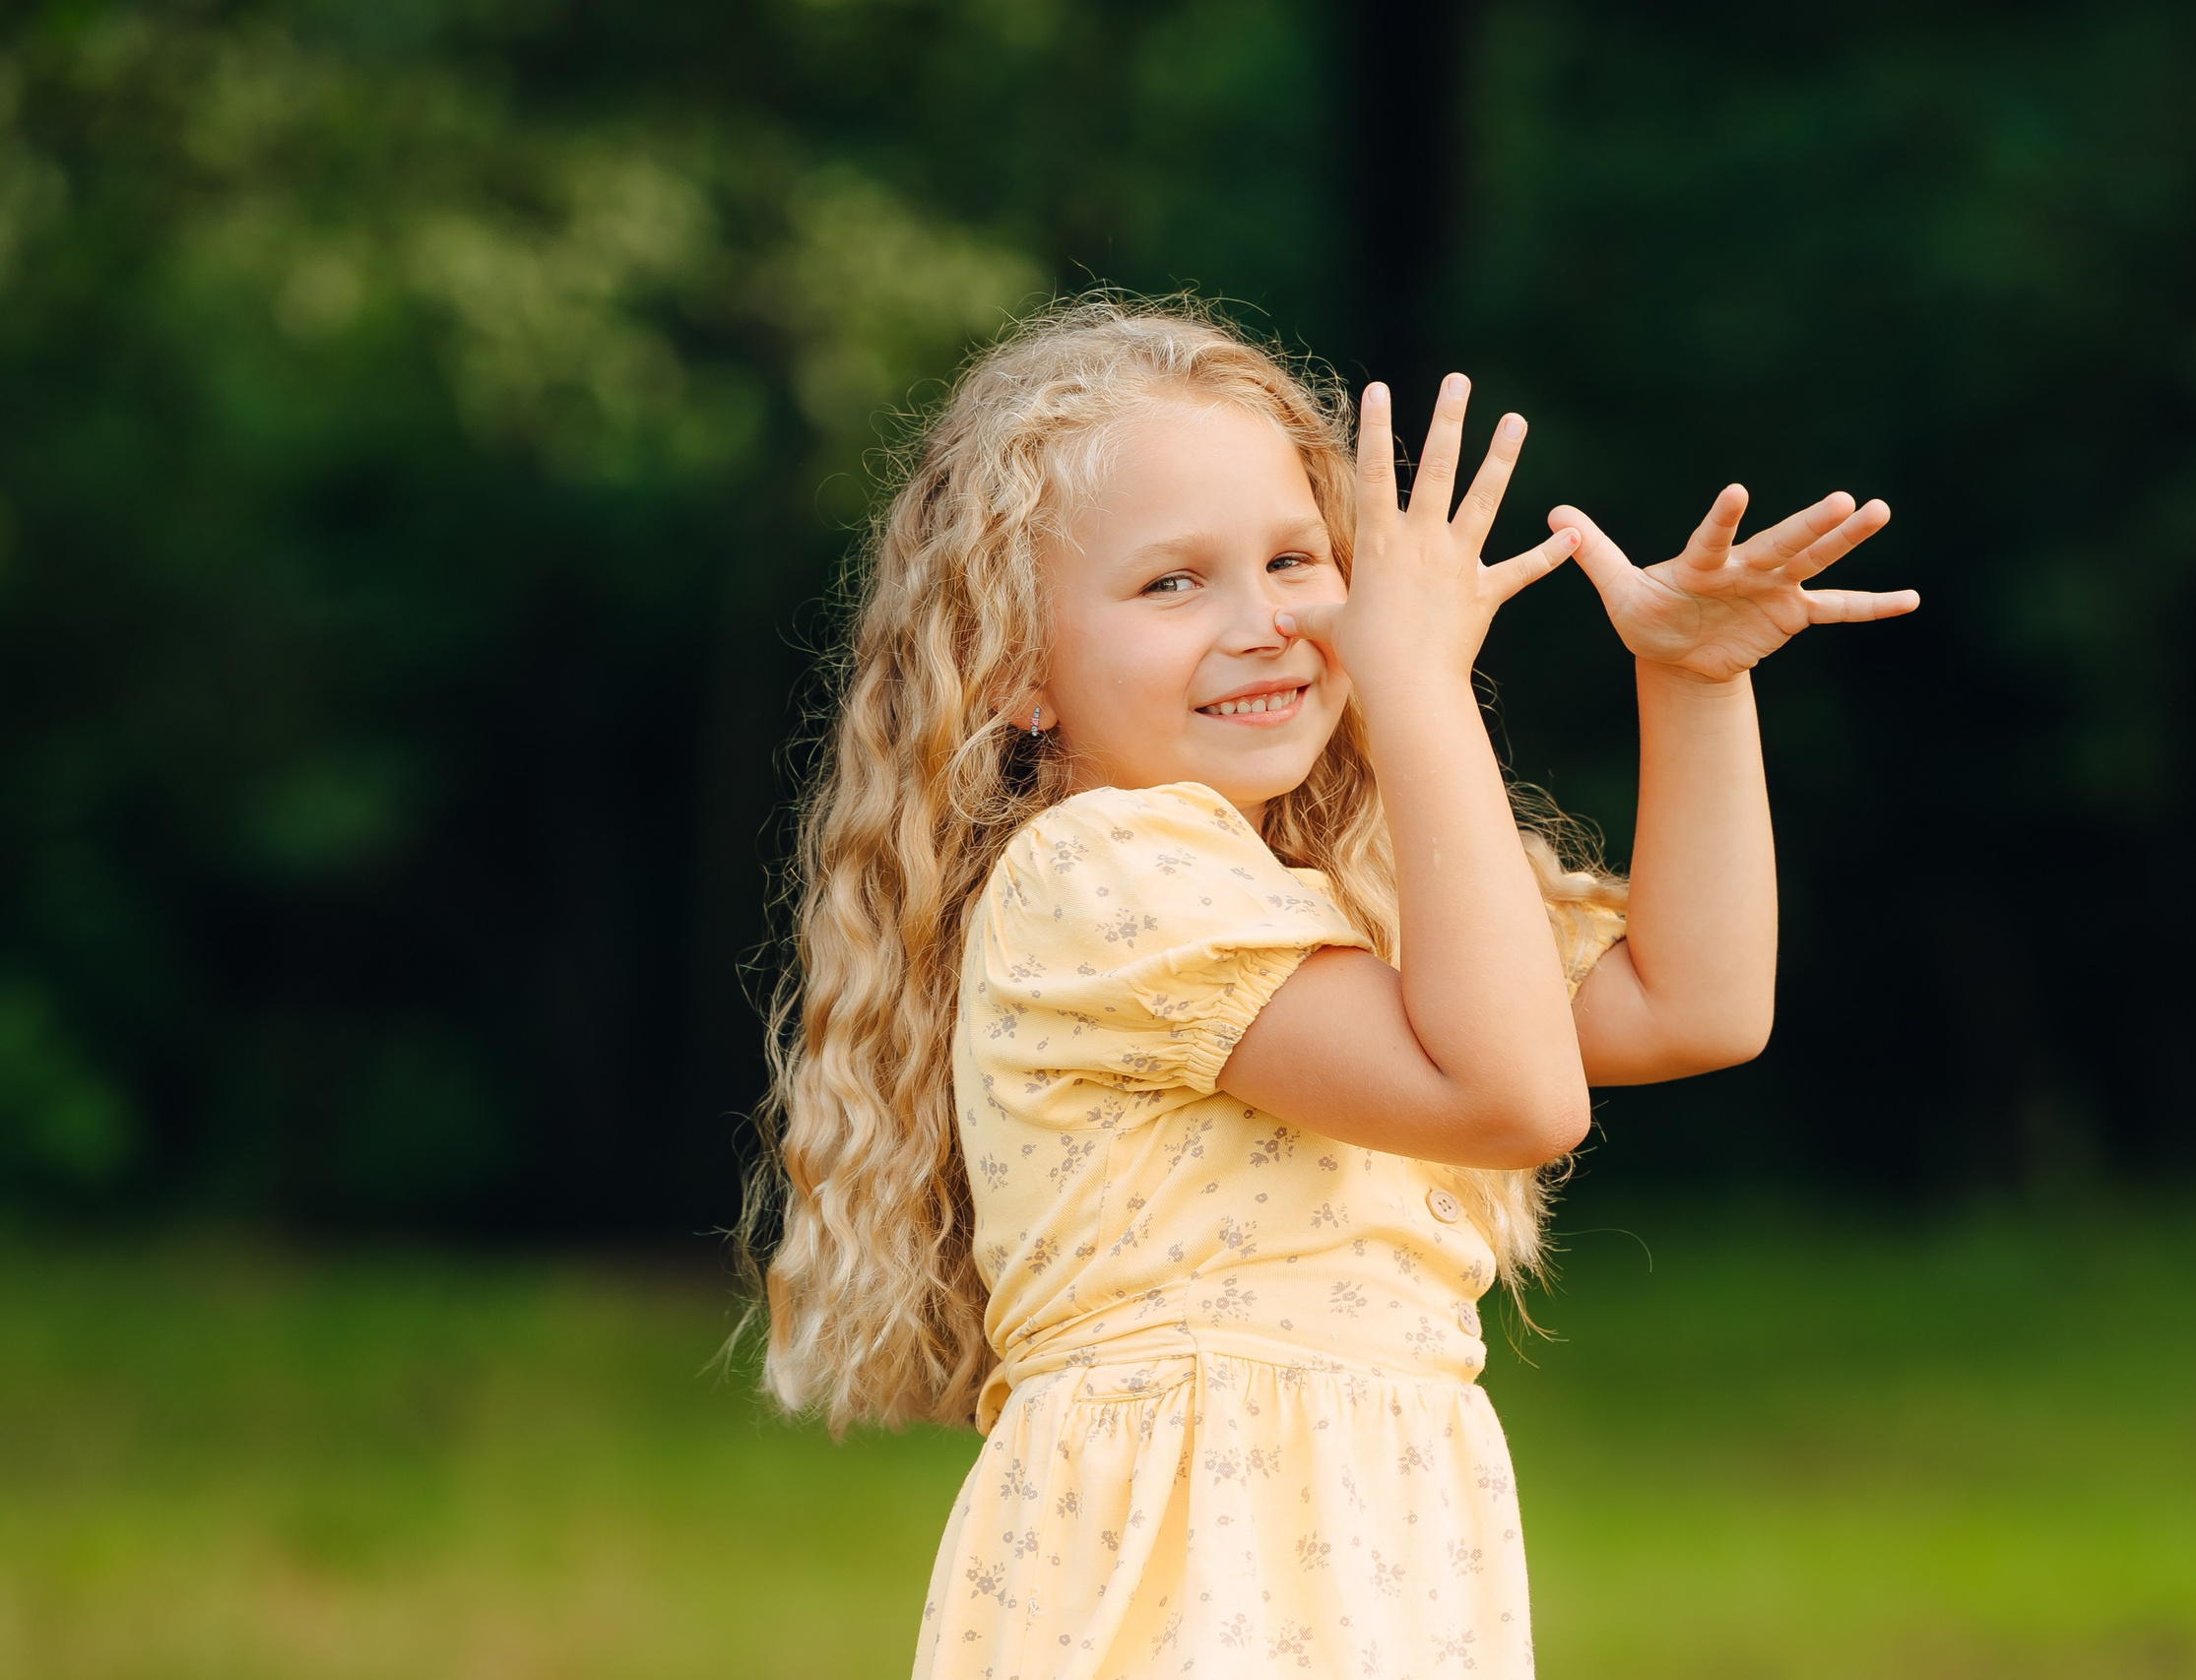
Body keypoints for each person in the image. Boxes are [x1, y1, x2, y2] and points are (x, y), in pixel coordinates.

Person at [742, 295, 1913, 1677]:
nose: (1267, 623)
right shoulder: (1102, 872)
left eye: (1296, 559)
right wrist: (1413, 686)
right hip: (1190, 1604)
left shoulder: (1317, 897)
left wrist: (1694, 677)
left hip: (1377, 1573)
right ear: (1017, 672)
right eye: (1172, 583)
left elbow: (1695, 1005)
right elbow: (1517, 1094)